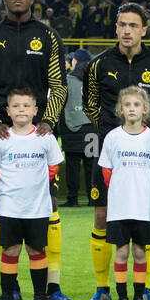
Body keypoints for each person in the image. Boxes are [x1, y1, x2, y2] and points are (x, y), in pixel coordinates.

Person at [0, 0, 76, 300]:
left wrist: (48, 119)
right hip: (4, 133)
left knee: (49, 207)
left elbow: (59, 86)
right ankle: (12, 286)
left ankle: (52, 287)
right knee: (5, 206)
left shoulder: (47, 36)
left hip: (39, 131)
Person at [83, 3, 150, 300]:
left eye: (133, 25)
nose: (126, 31)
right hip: (112, 148)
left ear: (144, 30)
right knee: (101, 215)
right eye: (122, 24)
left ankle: (143, 288)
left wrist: (141, 130)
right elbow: (90, 105)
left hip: (142, 151)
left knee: (143, 218)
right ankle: (102, 288)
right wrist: (113, 132)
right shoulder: (99, 64)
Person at [0, 87, 62, 300]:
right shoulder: (1, 139)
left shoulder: (45, 137)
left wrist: (35, 184)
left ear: (35, 110)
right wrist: (13, 186)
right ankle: (8, 295)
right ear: (7, 110)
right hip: (9, 206)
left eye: (26, 106)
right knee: (10, 250)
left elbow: (54, 165)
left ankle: (40, 296)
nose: (21, 110)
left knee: (37, 250)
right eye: (16, 106)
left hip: (37, 206)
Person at [98, 87, 150, 300]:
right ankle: (122, 299)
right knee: (121, 252)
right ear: (120, 109)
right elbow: (107, 171)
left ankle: (139, 298)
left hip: (142, 209)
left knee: (139, 252)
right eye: (127, 105)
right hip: (119, 208)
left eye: (136, 105)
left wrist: (142, 191)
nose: (131, 109)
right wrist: (121, 191)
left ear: (145, 109)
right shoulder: (113, 137)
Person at [58, 48, 94, 210]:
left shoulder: (66, 80)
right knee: (91, 165)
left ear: (75, 62)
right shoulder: (96, 79)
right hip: (92, 128)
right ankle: (94, 197)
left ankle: (72, 198)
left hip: (71, 127)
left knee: (72, 166)